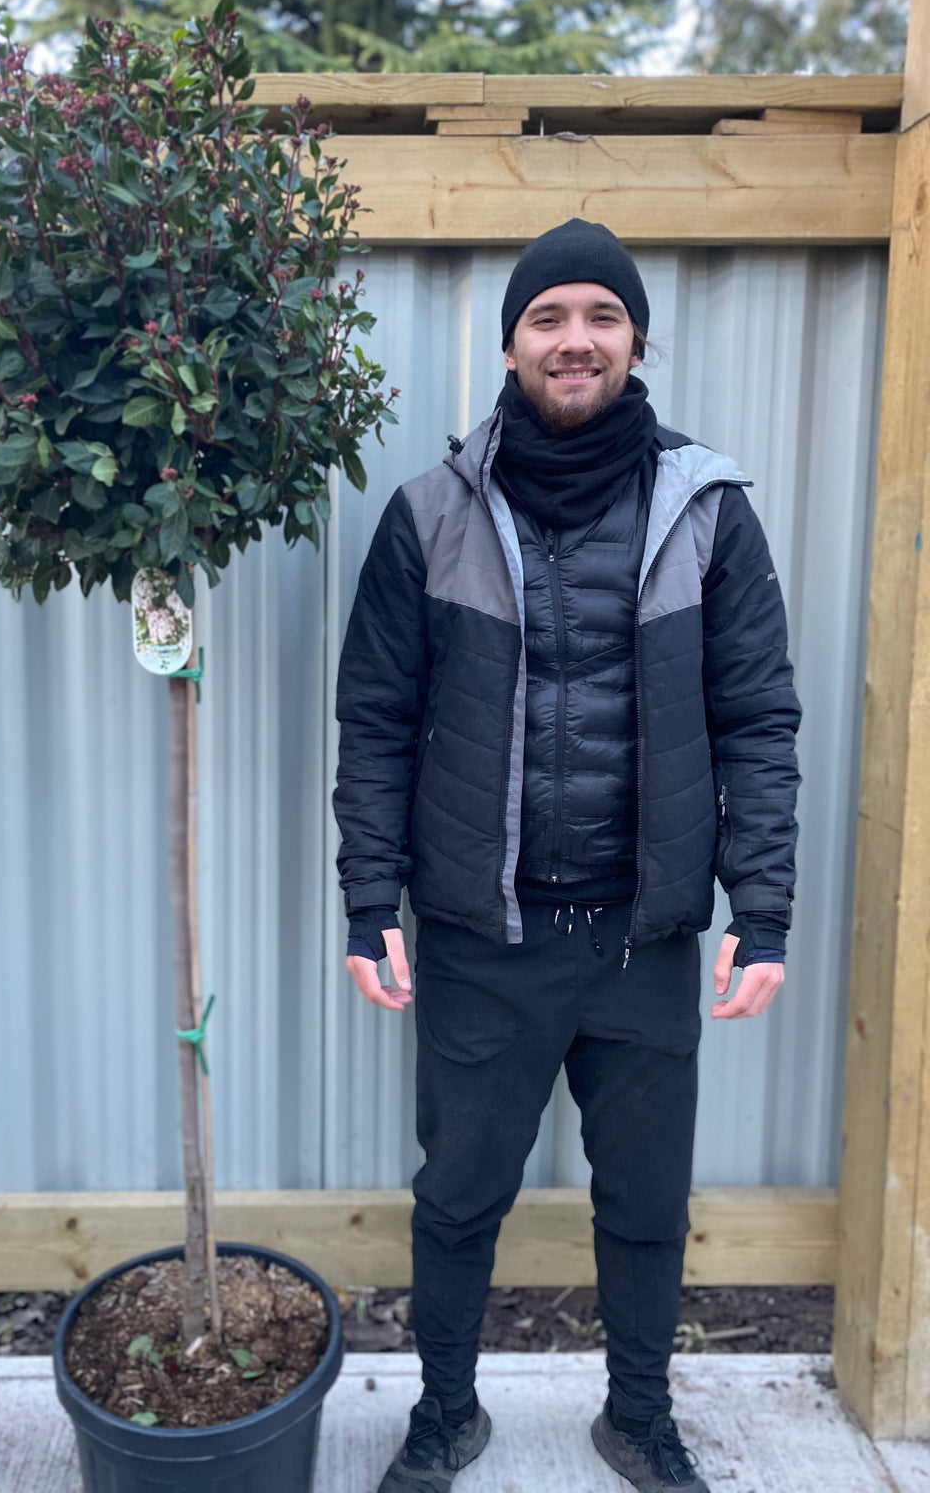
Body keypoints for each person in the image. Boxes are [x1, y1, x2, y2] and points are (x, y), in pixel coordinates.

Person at [331, 218, 800, 1493]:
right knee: (458, 1196)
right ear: (511, 343)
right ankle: (444, 1416)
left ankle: (639, 1417)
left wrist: (762, 909)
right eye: (548, 317)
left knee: (645, 1203)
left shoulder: (708, 512)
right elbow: (372, 720)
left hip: (645, 942)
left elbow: (759, 717)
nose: (575, 338)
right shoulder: (430, 514)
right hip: (486, 940)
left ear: (636, 337)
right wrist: (371, 895)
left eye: (600, 313)